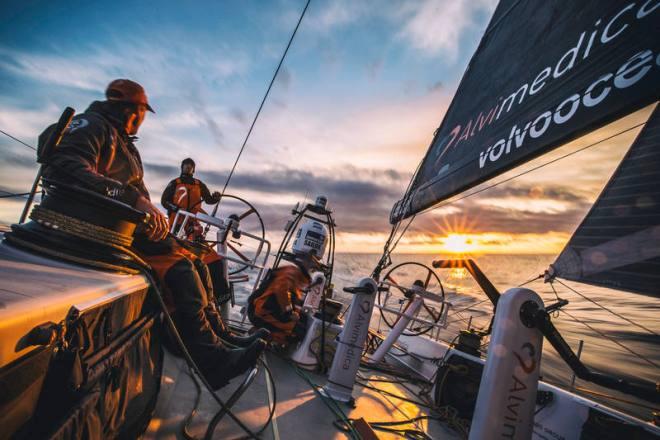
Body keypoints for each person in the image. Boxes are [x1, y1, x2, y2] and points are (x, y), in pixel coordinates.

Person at [42, 79, 267, 389]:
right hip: (98, 228)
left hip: (128, 226)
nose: (143, 118)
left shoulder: (123, 143)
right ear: (132, 110)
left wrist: (146, 208)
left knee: (198, 260)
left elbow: (152, 197)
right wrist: (134, 201)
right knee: (181, 269)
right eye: (142, 111)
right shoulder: (92, 125)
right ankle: (212, 362)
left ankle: (219, 337)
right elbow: (64, 166)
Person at [160, 158, 232, 306]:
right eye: (185, 165)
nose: (188, 167)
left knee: (211, 257)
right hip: (176, 224)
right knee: (174, 247)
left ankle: (219, 294)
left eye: (190, 166)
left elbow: (209, 199)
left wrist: (215, 198)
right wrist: (174, 208)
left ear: (194, 169)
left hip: (193, 224)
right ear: (182, 167)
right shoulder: (175, 183)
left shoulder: (200, 184)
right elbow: (164, 200)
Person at [248, 220, 327, 345]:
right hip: (261, 312)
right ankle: (261, 336)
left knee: (303, 322)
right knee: (298, 331)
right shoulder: (292, 272)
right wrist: (290, 312)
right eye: (313, 265)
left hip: (266, 310)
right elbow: (281, 290)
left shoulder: (297, 274)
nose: (313, 268)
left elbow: (291, 296)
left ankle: (262, 335)